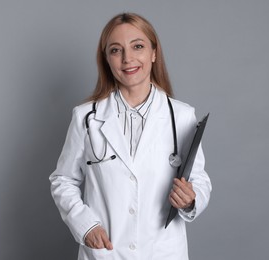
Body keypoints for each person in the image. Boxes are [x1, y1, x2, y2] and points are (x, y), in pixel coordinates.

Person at [49, 12, 212, 260]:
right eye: (116, 50)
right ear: (106, 59)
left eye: (138, 46)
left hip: (162, 251)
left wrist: (190, 200)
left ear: (154, 53)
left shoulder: (181, 116)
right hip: (106, 253)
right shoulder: (86, 117)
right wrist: (85, 225)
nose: (128, 59)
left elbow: (199, 181)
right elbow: (63, 180)